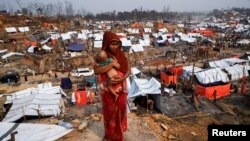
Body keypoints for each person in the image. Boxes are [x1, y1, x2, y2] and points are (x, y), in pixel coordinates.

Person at [94, 31, 131, 141]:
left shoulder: (121, 55)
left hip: (121, 88)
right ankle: (110, 135)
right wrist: (111, 64)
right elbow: (96, 70)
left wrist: (122, 78)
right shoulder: (102, 56)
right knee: (110, 112)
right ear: (106, 44)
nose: (115, 47)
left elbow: (128, 70)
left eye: (117, 44)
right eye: (112, 44)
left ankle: (121, 130)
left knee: (122, 110)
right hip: (107, 90)